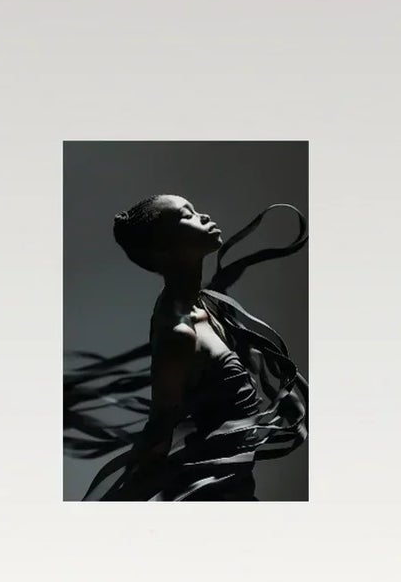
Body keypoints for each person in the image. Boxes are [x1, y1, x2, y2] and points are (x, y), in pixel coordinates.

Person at [64, 196, 307, 501]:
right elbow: (160, 426)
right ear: (166, 247)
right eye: (187, 215)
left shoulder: (203, 305)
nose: (204, 215)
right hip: (213, 490)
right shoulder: (178, 333)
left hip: (232, 478)